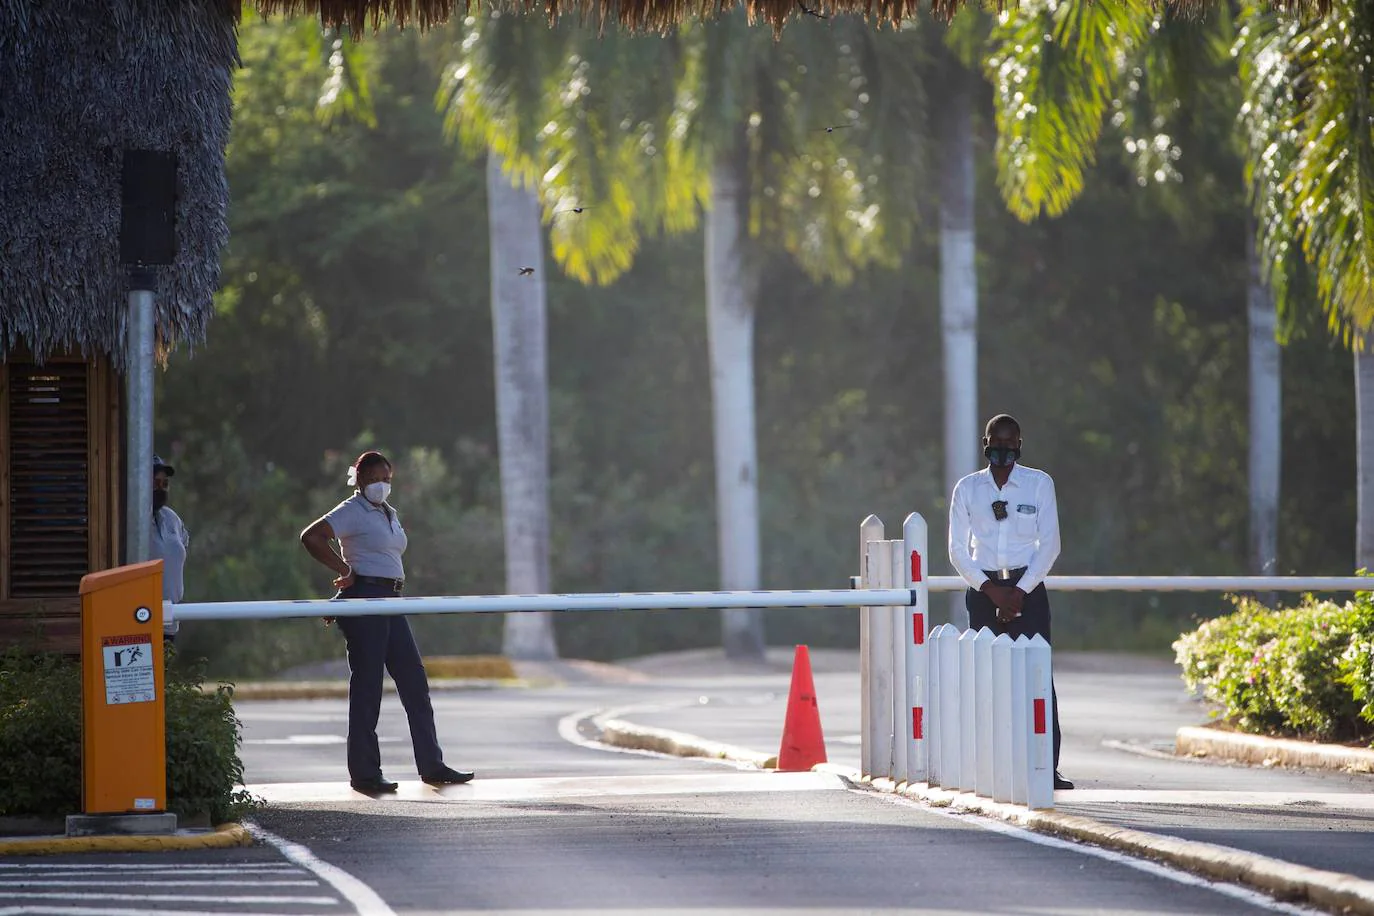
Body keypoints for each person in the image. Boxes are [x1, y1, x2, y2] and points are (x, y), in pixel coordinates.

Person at [299, 449, 473, 794]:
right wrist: (344, 570)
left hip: (392, 599)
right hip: (366, 598)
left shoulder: (387, 512)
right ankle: (365, 773)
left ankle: (432, 765)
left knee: (414, 682)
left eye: (386, 480)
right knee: (368, 688)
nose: (381, 486)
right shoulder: (352, 510)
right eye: (375, 479)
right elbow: (311, 536)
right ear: (359, 479)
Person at [948, 414, 1073, 791]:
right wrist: (991, 590)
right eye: (995, 442)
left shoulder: (1038, 484)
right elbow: (957, 549)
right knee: (986, 681)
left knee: (1037, 678)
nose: (1002, 450)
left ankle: (1045, 768)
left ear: (1019, 444)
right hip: (984, 592)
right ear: (984, 443)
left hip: (1028, 590)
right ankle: (986, 768)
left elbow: (1050, 545)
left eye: (1009, 443)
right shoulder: (968, 489)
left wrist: (1019, 592)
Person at [149, 454, 189, 645]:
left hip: (170, 621)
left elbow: (182, 547)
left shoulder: (172, 519)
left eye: (164, 483)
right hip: (139, 618)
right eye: (155, 482)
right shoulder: (127, 519)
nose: (161, 488)